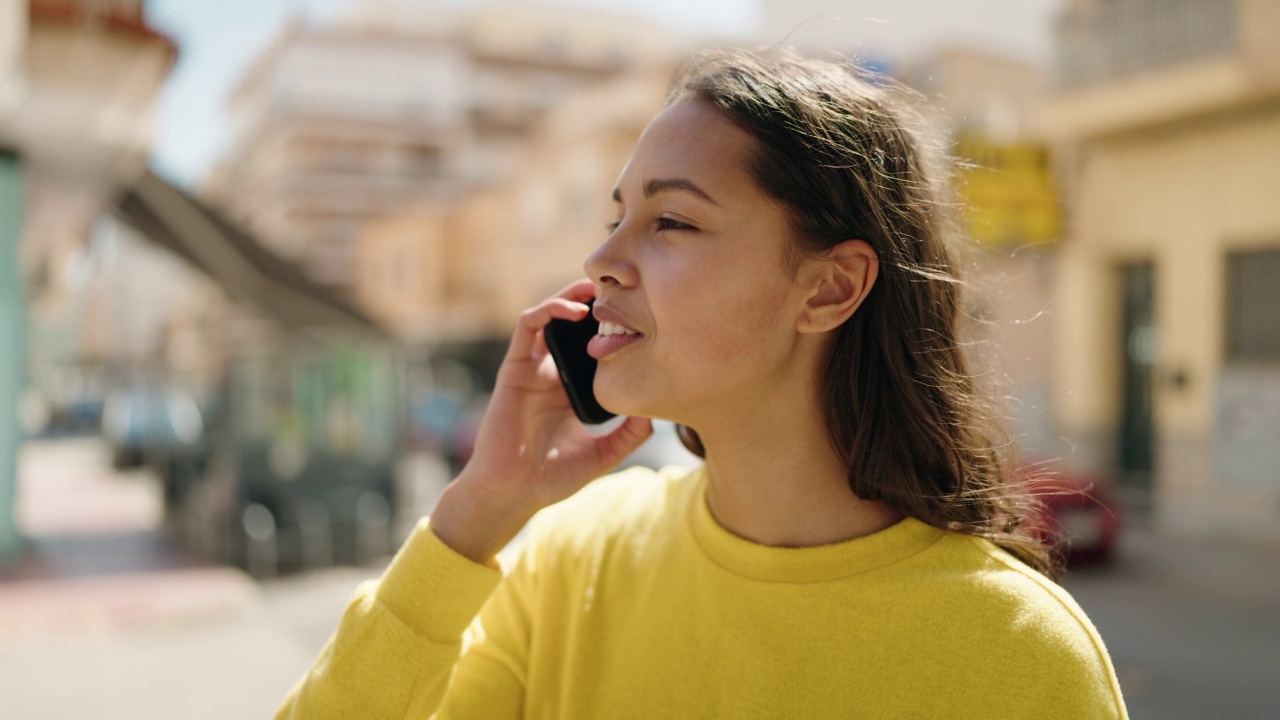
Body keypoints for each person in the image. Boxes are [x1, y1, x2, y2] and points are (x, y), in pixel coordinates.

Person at [275, 47, 1128, 719]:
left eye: (671, 220)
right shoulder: (570, 560)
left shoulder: (1021, 657)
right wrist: (475, 513)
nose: (601, 261)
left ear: (829, 288)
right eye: (616, 217)